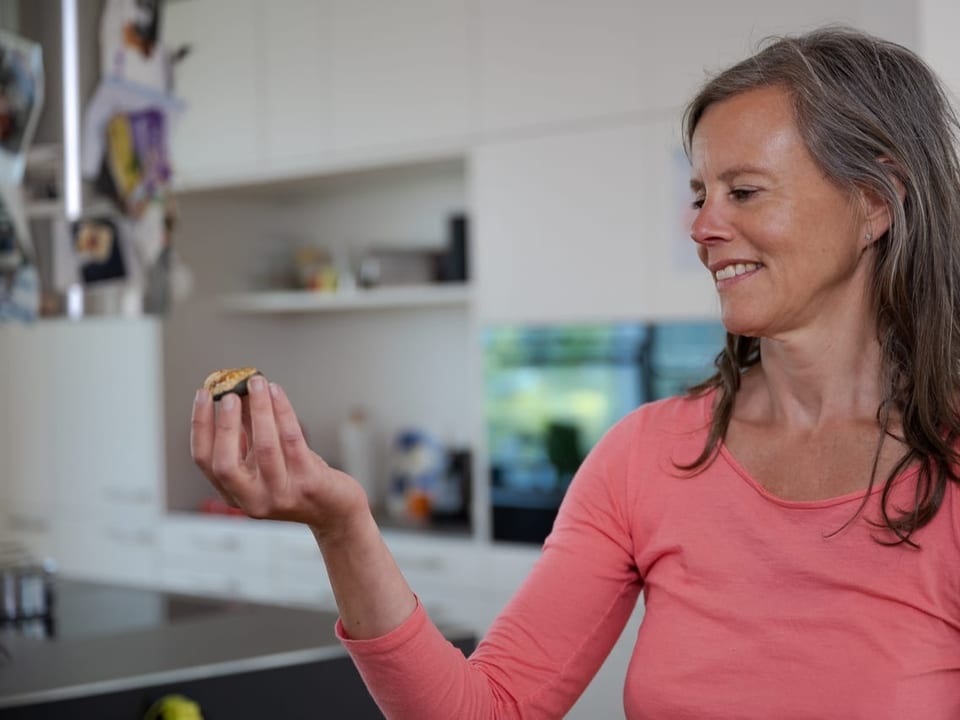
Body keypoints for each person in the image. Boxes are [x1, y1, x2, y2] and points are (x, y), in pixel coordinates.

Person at [190, 26, 960, 719]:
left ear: (875, 200)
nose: (700, 227)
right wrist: (343, 525)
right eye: (698, 194)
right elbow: (483, 713)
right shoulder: (647, 458)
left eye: (744, 191)